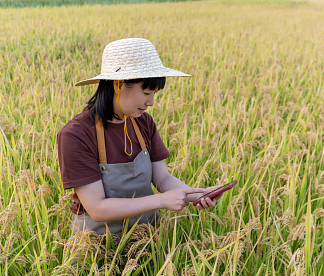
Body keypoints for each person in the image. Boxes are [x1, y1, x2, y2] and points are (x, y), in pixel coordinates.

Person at [56, 38, 223, 241]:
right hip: (96, 246)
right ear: (118, 84)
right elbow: (97, 208)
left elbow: (162, 178)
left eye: (154, 93)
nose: (151, 102)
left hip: (145, 240)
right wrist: (160, 201)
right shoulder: (76, 135)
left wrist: (197, 194)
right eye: (146, 92)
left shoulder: (144, 123)